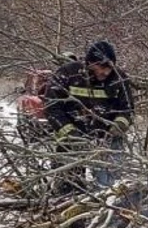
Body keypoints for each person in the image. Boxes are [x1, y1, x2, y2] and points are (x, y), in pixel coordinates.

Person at [45, 40, 134, 190]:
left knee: (109, 186)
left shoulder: (119, 78)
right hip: (71, 140)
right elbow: (52, 107)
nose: (105, 72)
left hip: (106, 139)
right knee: (69, 185)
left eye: (109, 68)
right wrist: (70, 133)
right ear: (89, 63)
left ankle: (107, 204)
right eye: (101, 67)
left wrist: (119, 125)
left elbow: (128, 108)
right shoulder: (67, 74)